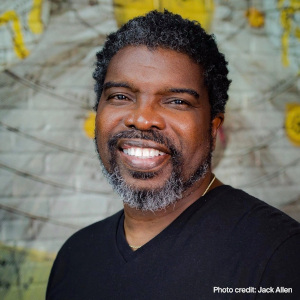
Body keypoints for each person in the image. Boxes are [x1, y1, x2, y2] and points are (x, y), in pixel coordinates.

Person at [46, 10, 300, 299]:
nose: (142, 119)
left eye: (177, 101)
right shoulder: (76, 257)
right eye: (120, 96)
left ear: (212, 128)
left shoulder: (278, 255)